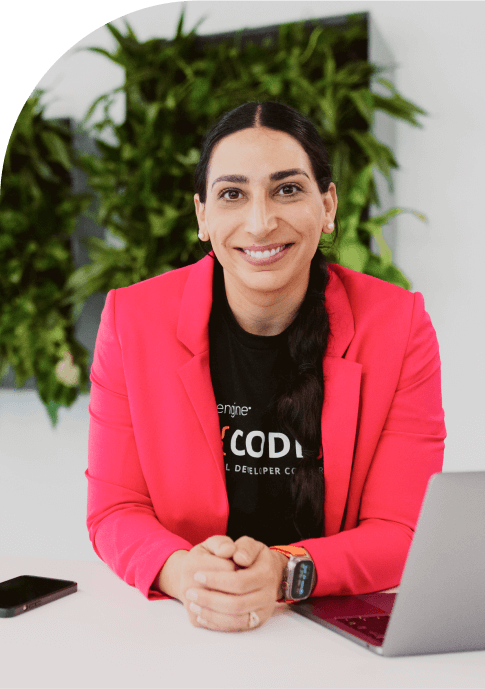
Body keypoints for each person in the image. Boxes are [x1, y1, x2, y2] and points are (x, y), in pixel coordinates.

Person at [86, 101, 446, 633]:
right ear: (203, 217)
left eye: (287, 189)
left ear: (327, 206)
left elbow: (403, 529)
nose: (260, 222)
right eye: (232, 194)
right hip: (182, 631)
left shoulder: (398, 326)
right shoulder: (131, 321)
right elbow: (115, 510)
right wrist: (185, 573)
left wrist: (284, 571)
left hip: (331, 637)